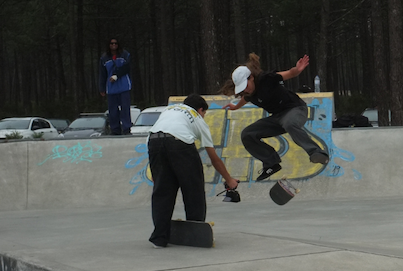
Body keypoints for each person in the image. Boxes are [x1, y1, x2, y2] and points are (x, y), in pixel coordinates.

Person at [147, 95, 240, 248]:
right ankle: (195, 231)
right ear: (200, 109)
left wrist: (154, 171)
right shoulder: (196, 116)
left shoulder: (168, 111)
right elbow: (213, 157)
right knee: (193, 188)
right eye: (204, 113)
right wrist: (229, 179)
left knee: (162, 192)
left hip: (154, 142)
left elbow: (152, 139)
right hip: (179, 143)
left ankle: (159, 237)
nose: (203, 116)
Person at [223, 53, 330, 181]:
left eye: (246, 86)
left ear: (251, 77)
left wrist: (297, 70)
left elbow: (289, 73)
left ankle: (316, 153)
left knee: (289, 124)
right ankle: (271, 163)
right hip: (277, 118)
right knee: (247, 134)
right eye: (242, 89)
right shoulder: (249, 93)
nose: (246, 90)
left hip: (295, 109)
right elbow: (245, 98)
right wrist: (236, 107)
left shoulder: (266, 79)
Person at [100, 38, 133, 135]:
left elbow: (127, 68)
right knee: (113, 110)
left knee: (125, 108)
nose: (113, 45)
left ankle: (126, 128)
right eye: (111, 43)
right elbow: (102, 74)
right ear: (108, 45)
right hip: (111, 89)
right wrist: (102, 87)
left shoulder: (125, 55)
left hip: (124, 87)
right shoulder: (104, 58)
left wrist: (116, 75)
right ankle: (115, 129)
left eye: (115, 43)